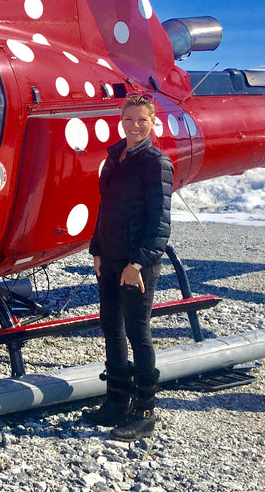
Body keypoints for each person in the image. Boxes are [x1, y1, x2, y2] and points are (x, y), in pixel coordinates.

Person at [82, 95, 173, 440]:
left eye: (142, 120)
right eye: (129, 119)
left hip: (137, 262)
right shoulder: (116, 156)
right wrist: (97, 249)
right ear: (120, 120)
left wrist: (138, 262)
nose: (135, 126)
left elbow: (160, 222)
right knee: (111, 326)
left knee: (138, 332)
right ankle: (116, 402)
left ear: (152, 123)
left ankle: (145, 412)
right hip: (110, 257)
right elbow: (106, 207)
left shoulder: (156, 162)